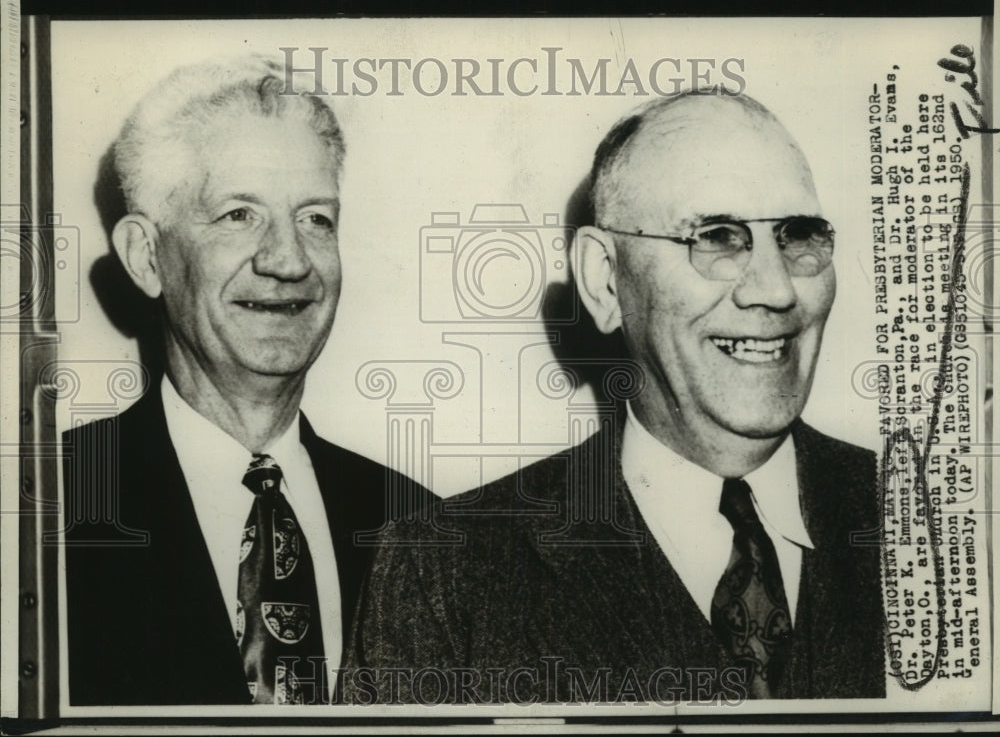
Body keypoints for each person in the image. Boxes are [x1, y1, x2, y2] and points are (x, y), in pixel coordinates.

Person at [348, 92, 884, 703]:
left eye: (798, 236)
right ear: (604, 280)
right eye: (715, 236)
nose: (777, 289)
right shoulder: (443, 574)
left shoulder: (939, 519)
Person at [62, 55, 434, 706]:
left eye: (316, 218)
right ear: (147, 258)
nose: (289, 260)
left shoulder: (421, 524)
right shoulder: (43, 511)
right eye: (239, 214)